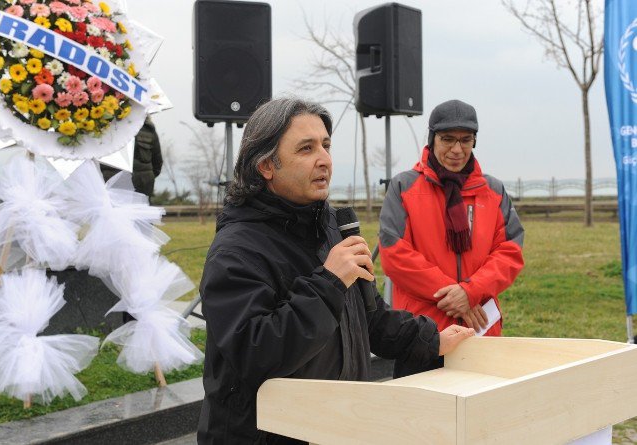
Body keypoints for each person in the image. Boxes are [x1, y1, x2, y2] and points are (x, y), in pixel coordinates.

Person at [197, 97, 475, 444]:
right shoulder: (236, 250)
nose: (324, 159)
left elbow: (367, 317)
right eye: (306, 148)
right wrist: (329, 283)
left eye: (326, 145)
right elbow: (256, 353)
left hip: (337, 426)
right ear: (266, 165)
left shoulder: (331, 226)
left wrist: (430, 339)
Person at [379, 99, 524, 336]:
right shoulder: (404, 188)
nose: (457, 149)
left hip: (480, 330)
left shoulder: (493, 192)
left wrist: (471, 292)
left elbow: (509, 252)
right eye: (447, 139)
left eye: (466, 140)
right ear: (432, 139)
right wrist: (455, 295)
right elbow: (394, 254)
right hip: (422, 333)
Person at [100, 116, 163, 200]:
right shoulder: (148, 128)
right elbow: (157, 164)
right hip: (139, 186)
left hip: (116, 186)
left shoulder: (102, 126)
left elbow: (157, 162)